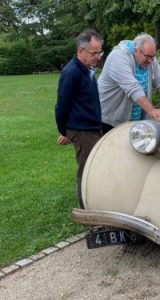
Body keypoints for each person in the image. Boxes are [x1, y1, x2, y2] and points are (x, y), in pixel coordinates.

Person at [98, 33, 160, 133]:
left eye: (153, 57)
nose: (150, 61)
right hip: (110, 120)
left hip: (134, 121)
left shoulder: (149, 58)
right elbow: (133, 87)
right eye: (148, 57)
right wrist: (152, 110)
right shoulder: (118, 57)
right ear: (136, 51)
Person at [55, 29, 104, 208]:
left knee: (95, 170)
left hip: (92, 129)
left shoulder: (87, 69)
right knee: (86, 173)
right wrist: (66, 131)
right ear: (81, 51)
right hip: (83, 131)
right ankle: (88, 214)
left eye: (100, 52)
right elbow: (61, 106)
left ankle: (96, 206)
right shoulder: (72, 73)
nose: (98, 56)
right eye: (94, 53)